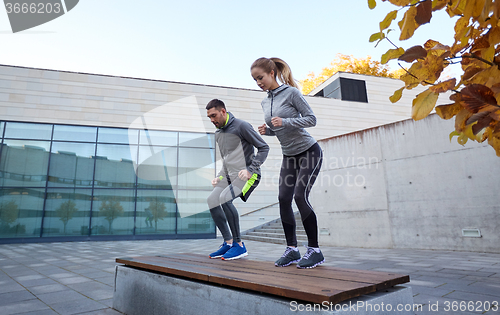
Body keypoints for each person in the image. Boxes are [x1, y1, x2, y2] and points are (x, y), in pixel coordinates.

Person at [251, 57, 324, 269]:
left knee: (300, 196)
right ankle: (292, 249)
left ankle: (315, 250)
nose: (258, 82)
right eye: (255, 79)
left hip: (309, 151)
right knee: (283, 198)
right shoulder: (265, 101)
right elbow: (281, 130)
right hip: (289, 155)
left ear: (272, 73)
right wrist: (270, 131)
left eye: (260, 77)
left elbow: (311, 119)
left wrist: (285, 122)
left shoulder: (291, 93)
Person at [206, 99, 269, 260]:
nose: (212, 120)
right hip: (230, 175)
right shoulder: (218, 134)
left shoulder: (242, 126)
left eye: (214, 116)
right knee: (212, 199)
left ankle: (239, 245)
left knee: (225, 198)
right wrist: (219, 176)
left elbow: (263, 147)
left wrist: (250, 170)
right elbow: (226, 160)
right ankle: (228, 243)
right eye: (209, 117)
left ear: (223, 111)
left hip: (249, 175)